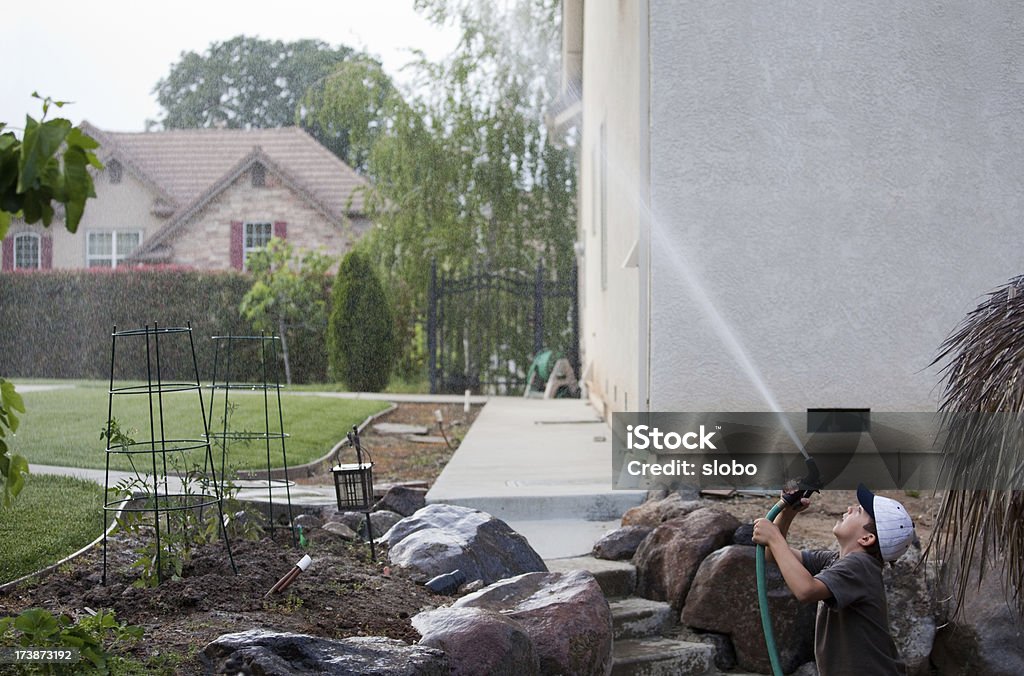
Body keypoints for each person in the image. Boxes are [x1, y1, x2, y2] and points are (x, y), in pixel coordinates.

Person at [751, 483, 915, 675]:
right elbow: (774, 556)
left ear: (867, 538)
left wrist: (774, 538)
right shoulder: (836, 561)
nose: (849, 508)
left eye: (859, 510)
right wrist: (787, 511)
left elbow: (806, 590)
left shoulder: (861, 566)